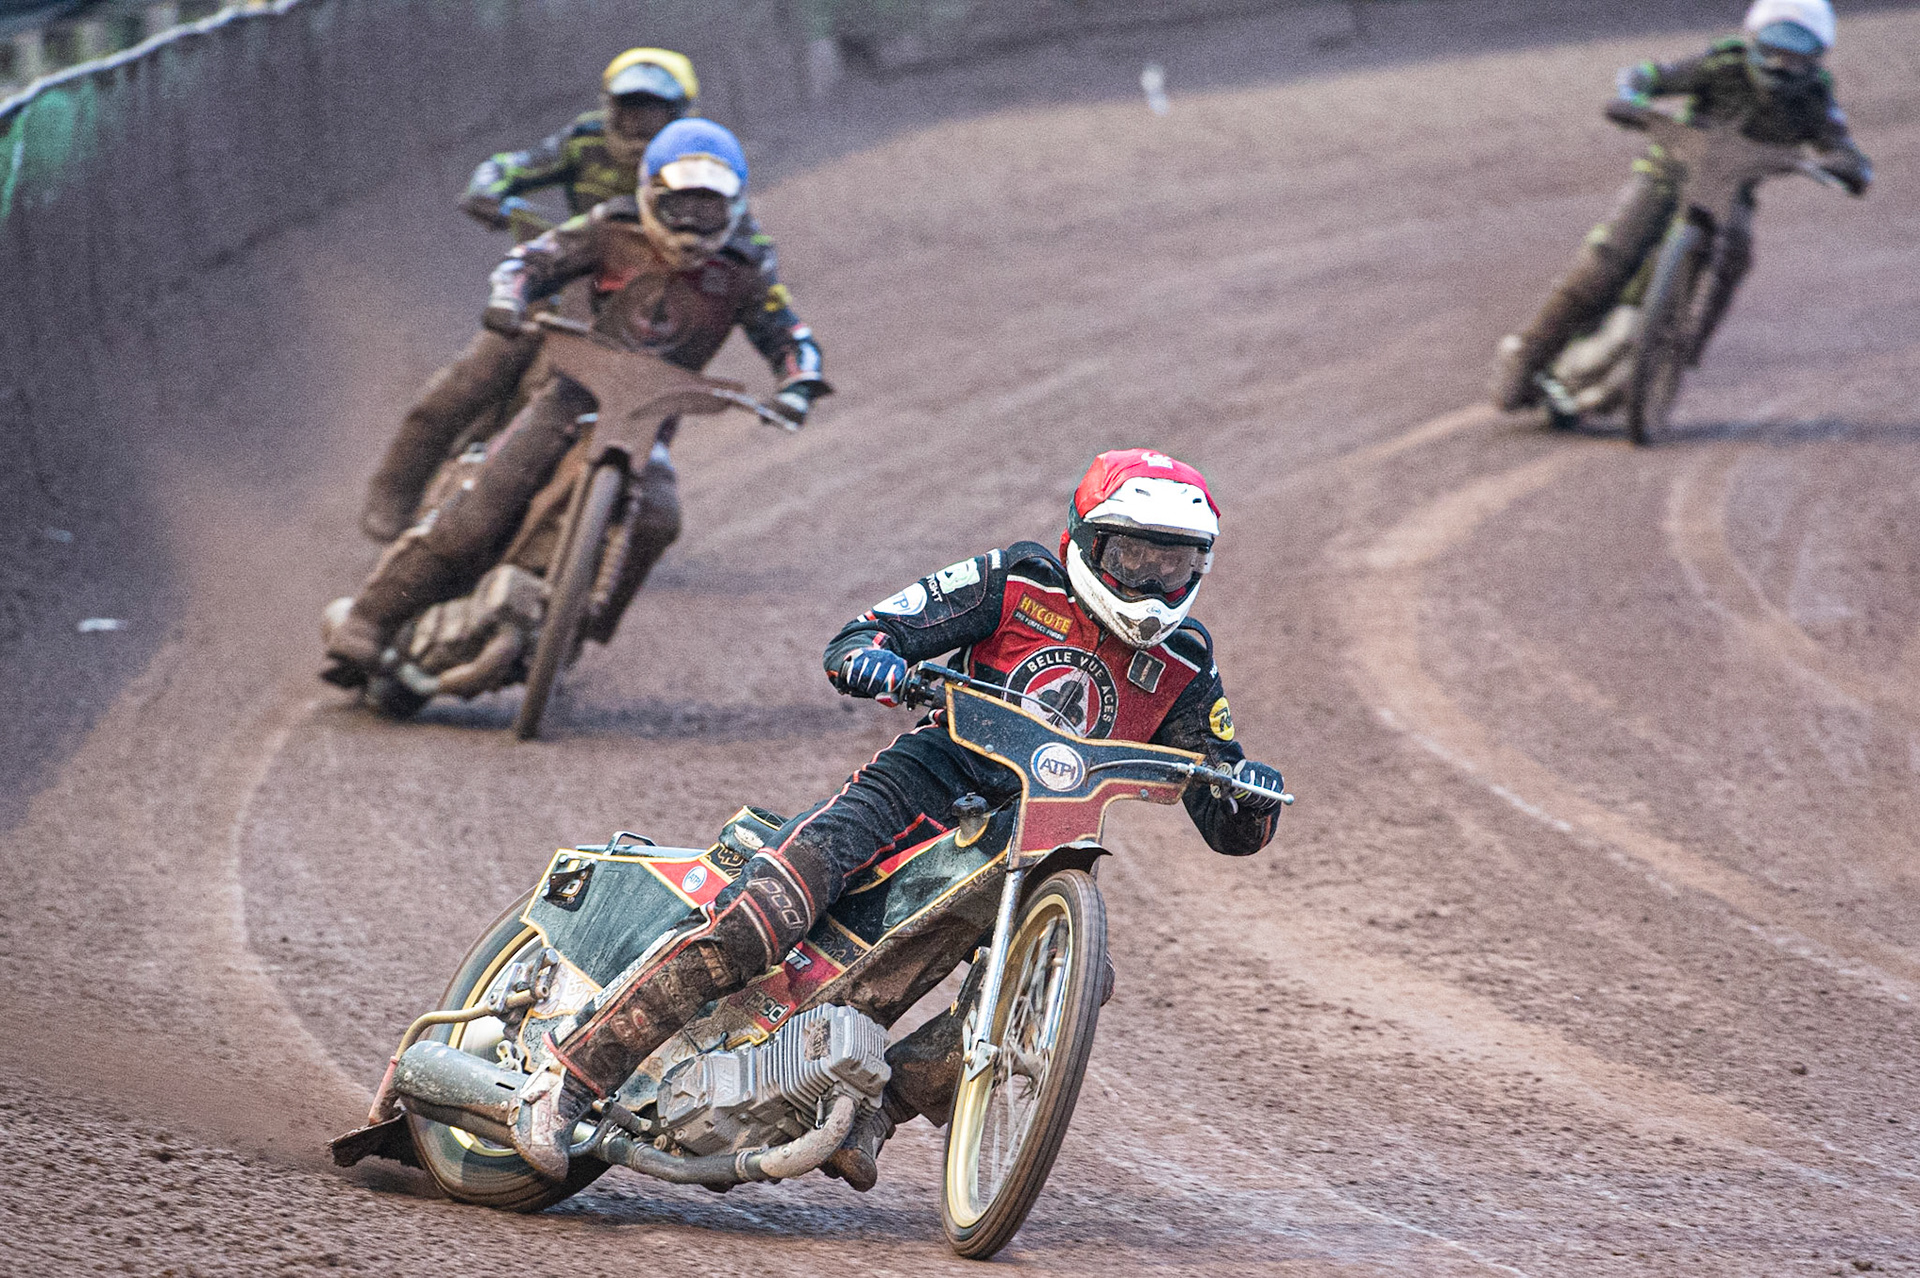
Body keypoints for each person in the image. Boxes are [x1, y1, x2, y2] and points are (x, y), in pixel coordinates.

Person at [504, 448, 1289, 1190]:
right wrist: (875, 657)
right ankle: (569, 1080)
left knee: (1068, 981)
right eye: (1135, 558)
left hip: (1032, 837)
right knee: (765, 918)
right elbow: (867, 633)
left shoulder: (1185, 661)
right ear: (1086, 541)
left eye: (1174, 564)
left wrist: (1249, 794)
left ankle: (874, 1112)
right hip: (920, 782)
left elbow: (1226, 813)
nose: (1153, 583)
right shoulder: (1017, 581)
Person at [324, 119, 827, 679]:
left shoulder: (747, 264)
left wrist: (798, 386)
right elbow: (529, 261)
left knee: (659, 516)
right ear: (649, 194)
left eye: (708, 211)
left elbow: (790, 336)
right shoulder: (609, 225)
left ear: (735, 206)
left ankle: (572, 634)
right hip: (570, 388)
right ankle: (369, 619)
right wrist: (508, 298)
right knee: (486, 498)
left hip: (650, 415)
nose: (691, 225)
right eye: (679, 207)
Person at [358, 48, 703, 543]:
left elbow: (735, 230)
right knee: (474, 378)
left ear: (678, 113)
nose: (638, 125)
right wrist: (487, 187)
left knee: (652, 402)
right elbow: (513, 164)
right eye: (629, 110)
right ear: (609, 108)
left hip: (643, 312)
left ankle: (611, 506)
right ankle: (396, 488)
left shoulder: (701, 164)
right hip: (564, 284)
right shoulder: (584, 140)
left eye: (651, 112)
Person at [1488, 0, 1872, 413]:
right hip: (1667, 172)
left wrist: (1847, 166)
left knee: (1736, 258)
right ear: (1753, 41)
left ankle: (1683, 350)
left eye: (1796, 58)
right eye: (1772, 50)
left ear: (1816, 61)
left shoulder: (1816, 98)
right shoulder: (1722, 66)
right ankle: (1528, 354)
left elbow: (1845, 149)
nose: (1780, 66)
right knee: (1609, 259)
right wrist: (1631, 93)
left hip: (1730, 191)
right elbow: (1655, 74)